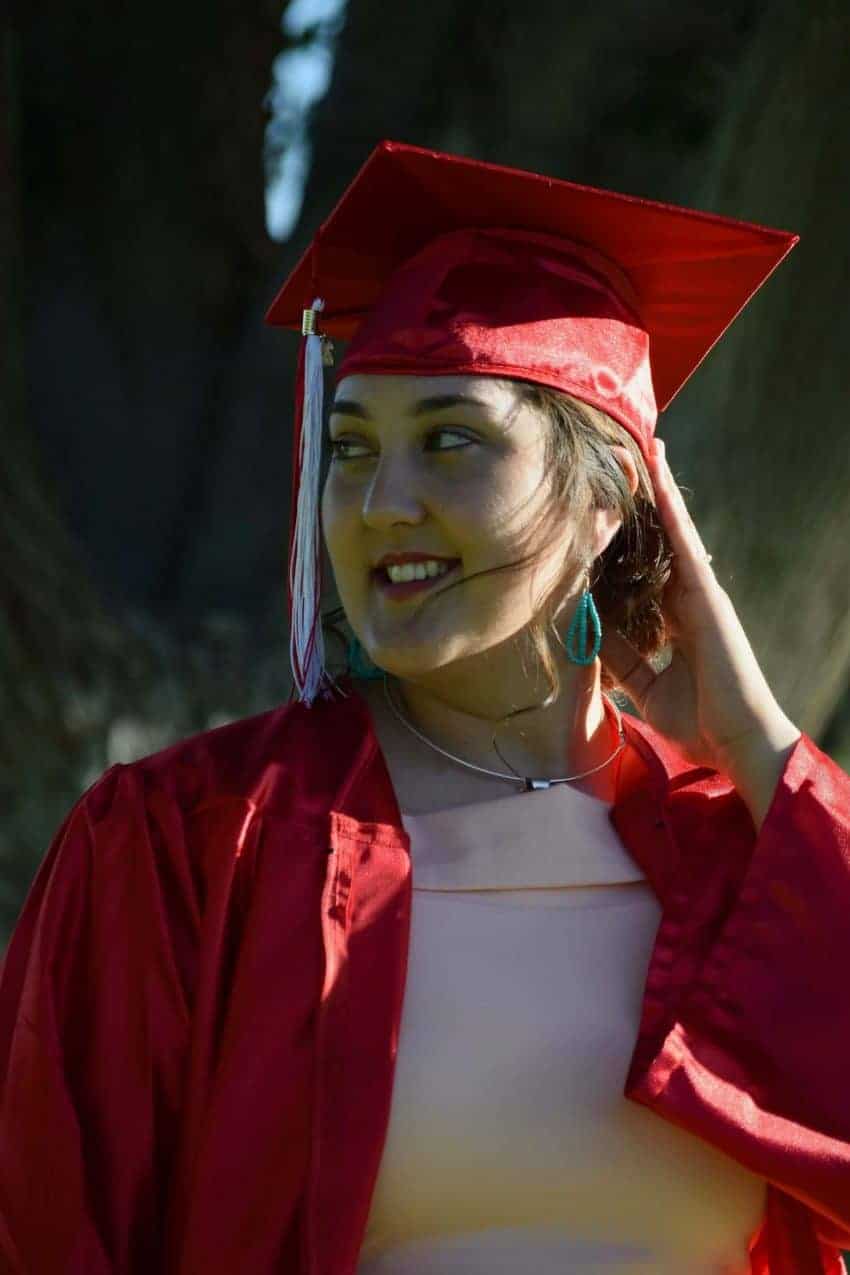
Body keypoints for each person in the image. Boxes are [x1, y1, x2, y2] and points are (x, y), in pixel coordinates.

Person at [1, 140, 848, 1275]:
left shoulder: (742, 857)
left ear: (610, 502)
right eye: (350, 451)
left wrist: (762, 748)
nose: (381, 504)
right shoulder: (190, 843)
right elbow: (51, 1227)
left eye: (451, 440)